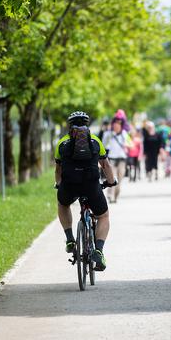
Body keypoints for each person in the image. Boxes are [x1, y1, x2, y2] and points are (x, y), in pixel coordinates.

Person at [54, 111, 117, 271]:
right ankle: (98, 250)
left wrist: (58, 184)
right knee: (103, 215)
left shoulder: (62, 142)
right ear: (87, 125)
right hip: (91, 185)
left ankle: (69, 239)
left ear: (70, 126)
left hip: (69, 185)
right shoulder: (95, 140)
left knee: (63, 204)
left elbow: (58, 168)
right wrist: (111, 182)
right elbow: (106, 165)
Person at [102, 118, 131, 203]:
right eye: (115, 124)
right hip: (112, 159)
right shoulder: (108, 134)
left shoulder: (124, 134)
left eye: (118, 124)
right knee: (112, 177)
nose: (116, 126)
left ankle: (116, 196)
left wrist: (125, 144)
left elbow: (130, 144)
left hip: (122, 159)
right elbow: (104, 145)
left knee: (120, 179)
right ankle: (110, 195)